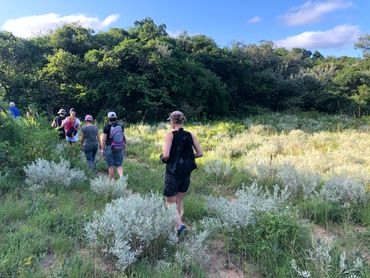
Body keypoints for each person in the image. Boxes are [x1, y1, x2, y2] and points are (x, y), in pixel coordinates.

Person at [161, 111, 203, 236]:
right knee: (179, 200)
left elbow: (166, 155)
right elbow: (200, 153)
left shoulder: (170, 135)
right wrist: (188, 158)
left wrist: (163, 158)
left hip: (173, 171)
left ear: (172, 121)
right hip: (186, 172)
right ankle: (178, 225)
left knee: (169, 202)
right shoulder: (190, 135)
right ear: (182, 120)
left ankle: (180, 226)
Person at [101, 111, 125, 179]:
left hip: (109, 148)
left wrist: (102, 150)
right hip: (120, 147)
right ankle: (122, 178)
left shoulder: (106, 127)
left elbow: (103, 140)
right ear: (116, 118)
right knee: (119, 165)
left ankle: (112, 181)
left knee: (111, 165)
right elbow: (123, 138)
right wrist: (124, 148)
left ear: (108, 118)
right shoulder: (121, 126)